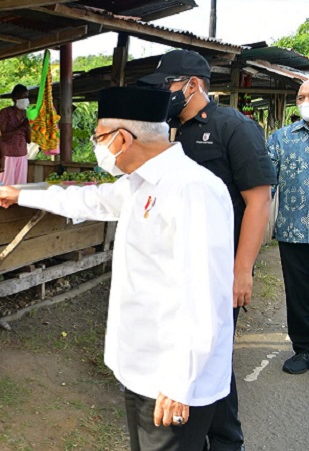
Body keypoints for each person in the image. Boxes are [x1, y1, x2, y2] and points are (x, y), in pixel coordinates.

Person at [0, 86, 235, 451]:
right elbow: (91, 199)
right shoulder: (138, 184)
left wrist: (180, 381)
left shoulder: (191, 189)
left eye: (99, 137)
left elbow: (204, 292)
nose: (96, 146)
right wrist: (21, 194)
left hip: (172, 377)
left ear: (122, 138)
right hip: (142, 365)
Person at [140, 49, 275, 451]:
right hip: (178, 268)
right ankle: (218, 439)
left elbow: (259, 200)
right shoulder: (168, 130)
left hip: (219, 270)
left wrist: (242, 270)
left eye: (169, 85)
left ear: (193, 85)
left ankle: (219, 440)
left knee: (204, 358)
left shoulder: (233, 127)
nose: (164, 94)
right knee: (207, 360)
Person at [267, 79, 309, 375]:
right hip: (294, 232)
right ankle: (304, 349)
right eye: (301, 96)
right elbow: (264, 186)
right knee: (298, 294)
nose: (303, 100)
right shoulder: (281, 139)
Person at [0, 84, 31, 185]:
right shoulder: (6, 112)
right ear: (15, 98)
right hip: (7, 155)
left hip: (22, 155)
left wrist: (28, 127)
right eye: (22, 97)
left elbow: (29, 140)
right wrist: (21, 127)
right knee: (6, 187)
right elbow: (1, 137)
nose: (25, 100)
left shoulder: (26, 114)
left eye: (26, 97)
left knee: (20, 187)